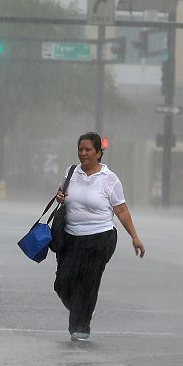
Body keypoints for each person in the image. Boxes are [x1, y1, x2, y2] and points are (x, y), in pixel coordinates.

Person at [54, 132, 145, 342]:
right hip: (71, 237)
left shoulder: (110, 179)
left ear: (98, 152)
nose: (83, 153)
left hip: (100, 238)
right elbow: (61, 193)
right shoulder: (70, 173)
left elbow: (121, 210)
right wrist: (60, 196)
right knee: (62, 284)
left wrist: (134, 237)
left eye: (88, 150)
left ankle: (80, 327)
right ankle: (83, 310)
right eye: (80, 149)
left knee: (89, 282)